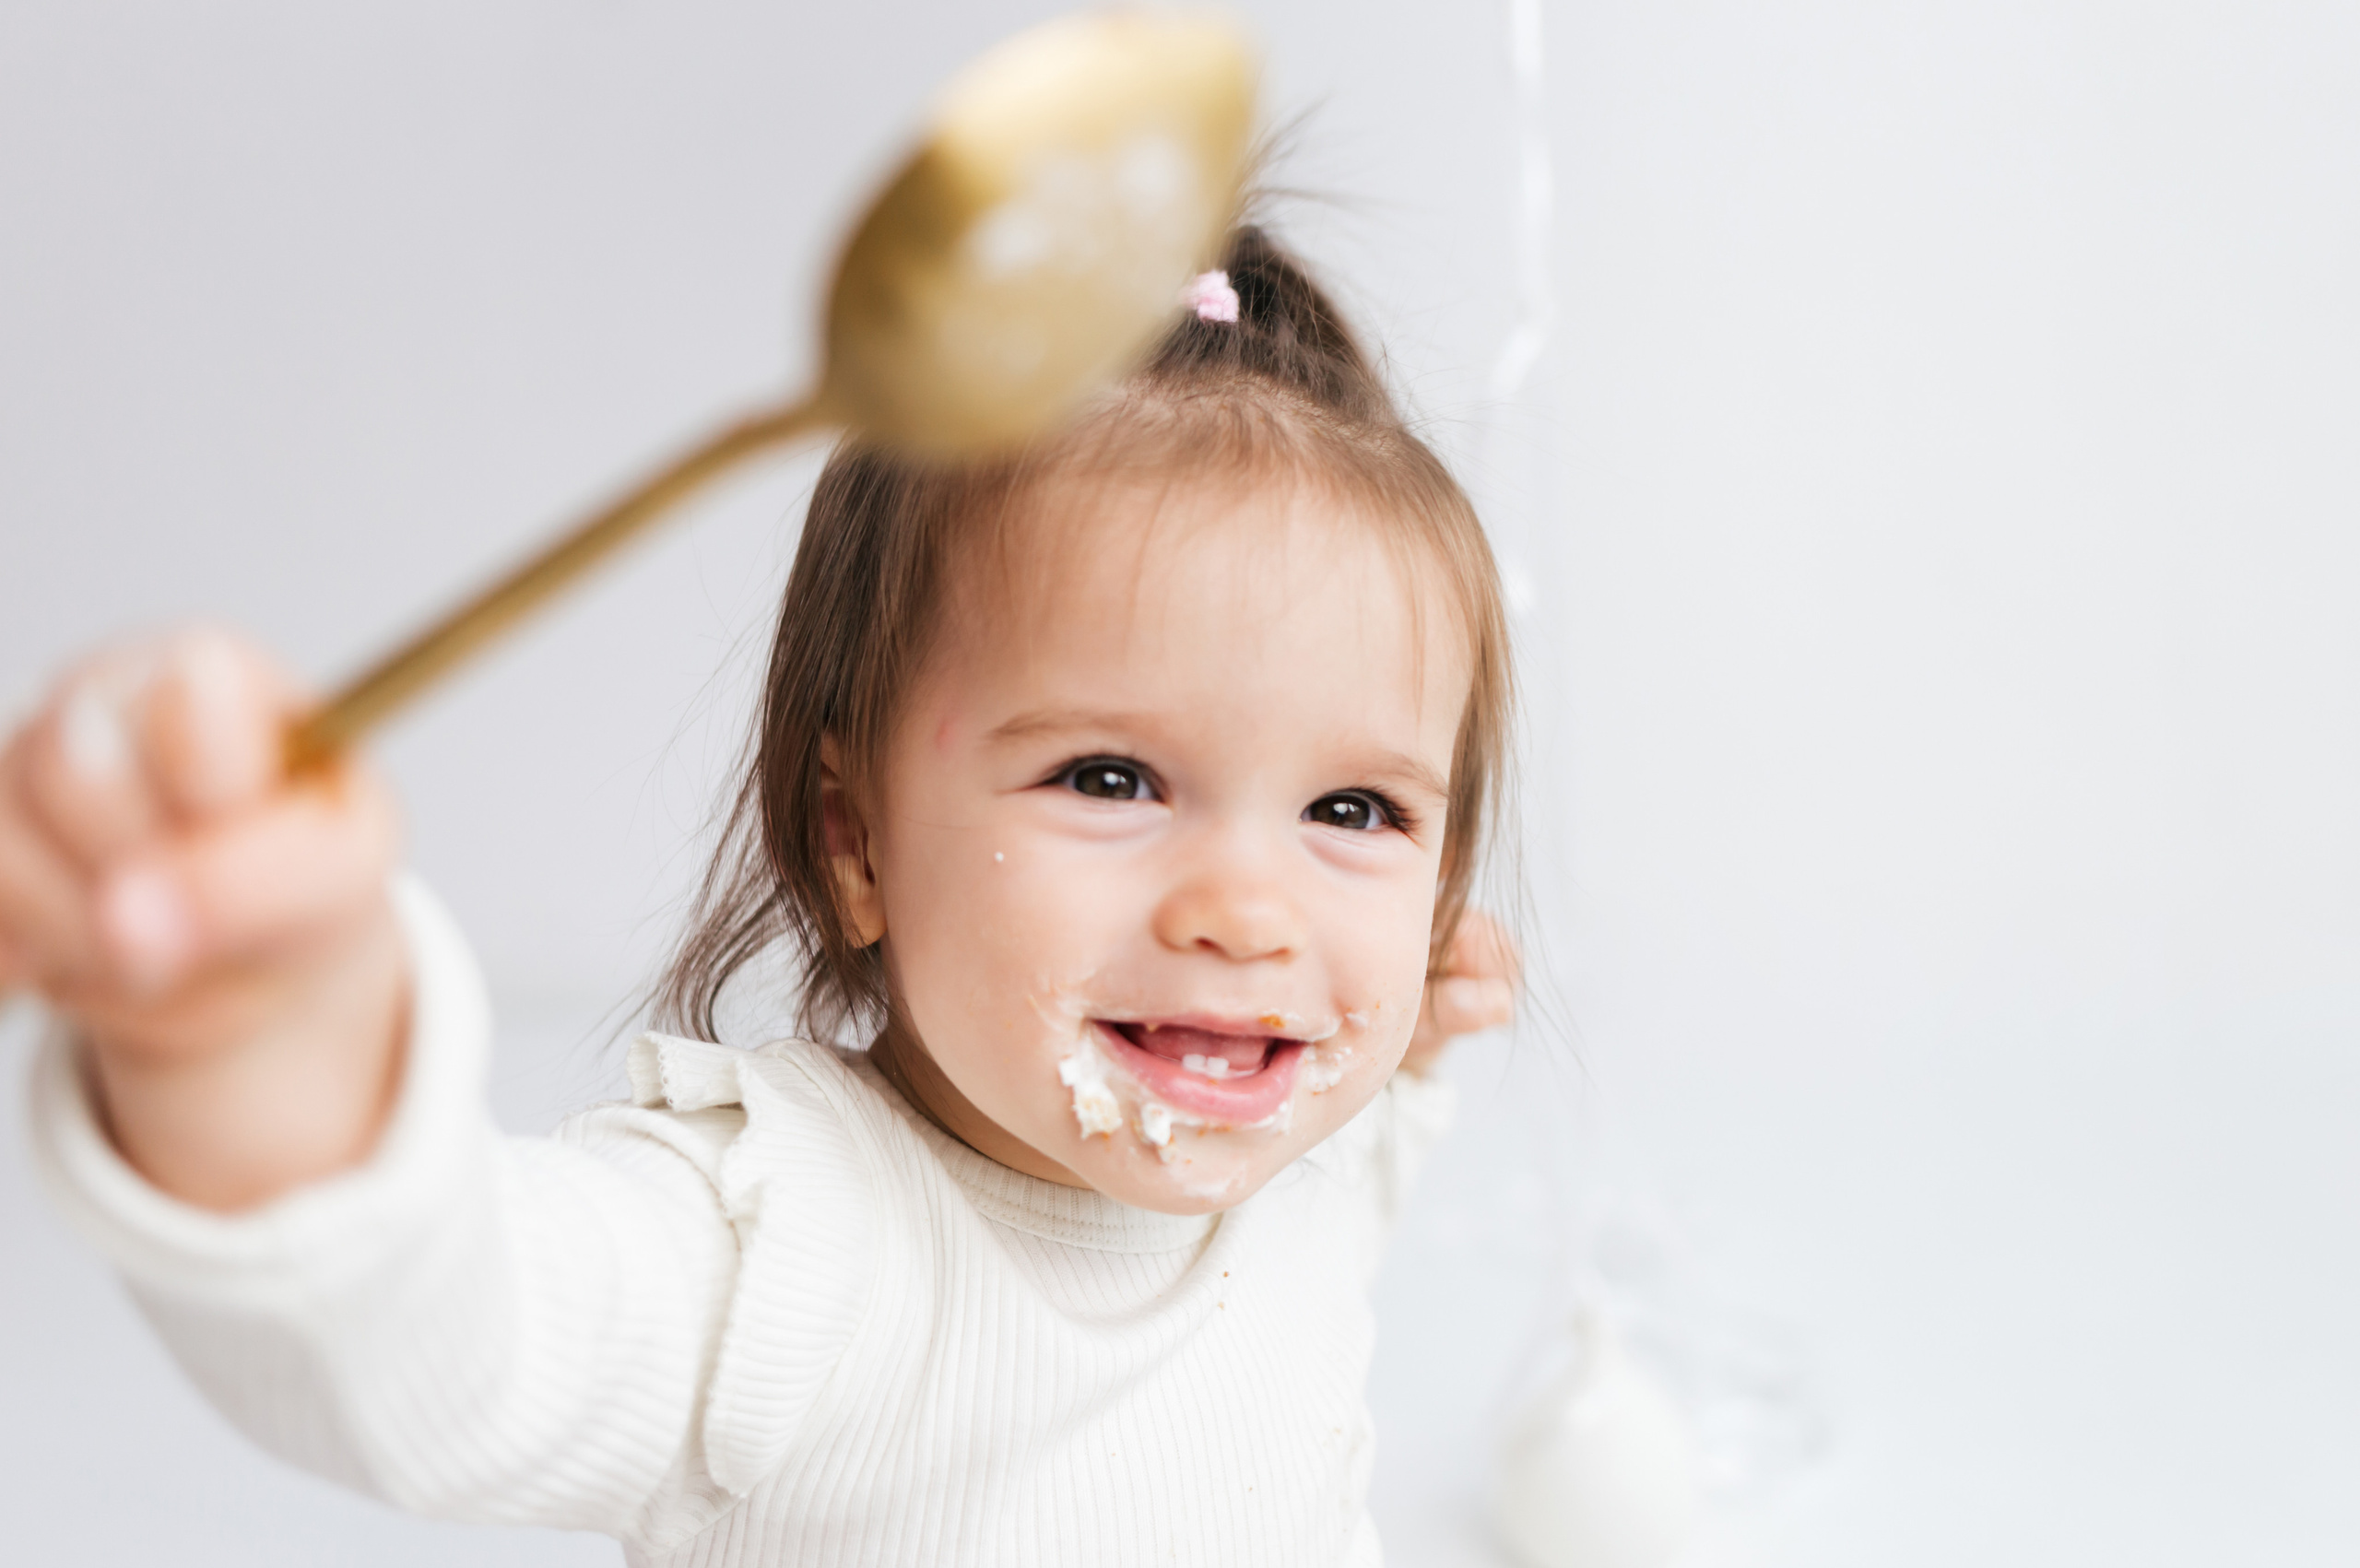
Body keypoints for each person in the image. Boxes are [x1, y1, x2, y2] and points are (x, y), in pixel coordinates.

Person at [3, 226, 1520, 1565]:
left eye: (1352, 808)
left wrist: (1419, 1042)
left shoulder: (1294, 1174)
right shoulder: (780, 1250)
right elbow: (443, 1340)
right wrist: (252, 1056)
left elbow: (1361, 1160)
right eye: (1110, 779)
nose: (1250, 915)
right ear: (854, 838)